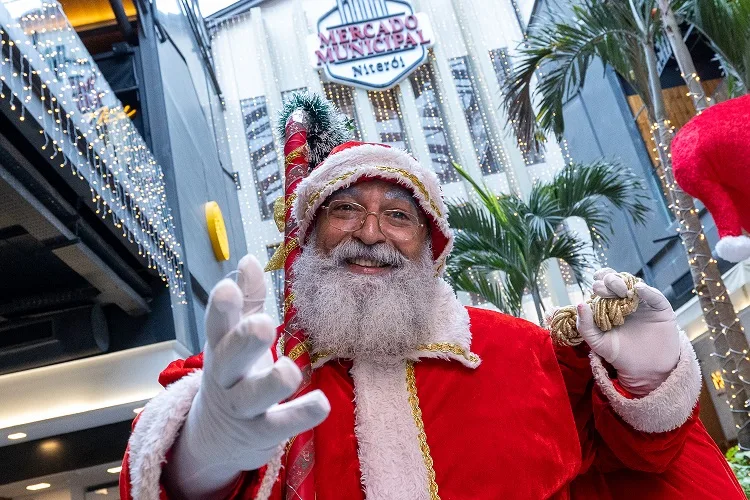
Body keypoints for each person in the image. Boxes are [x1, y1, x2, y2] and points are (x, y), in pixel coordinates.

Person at [120, 108, 743, 499]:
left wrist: (651, 376)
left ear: (430, 248)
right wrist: (205, 452)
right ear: (306, 238)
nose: (370, 233)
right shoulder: (257, 371)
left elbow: (644, 463)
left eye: (397, 215)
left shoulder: (524, 352)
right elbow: (164, 465)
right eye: (345, 210)